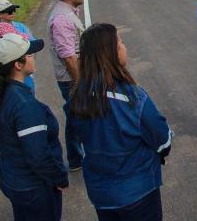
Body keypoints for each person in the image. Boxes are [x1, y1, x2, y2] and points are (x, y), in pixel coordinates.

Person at [68, 23, 173, 221]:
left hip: (101, 194)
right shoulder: (132, 97)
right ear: (110, 54)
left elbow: (81, 140)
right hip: (137, 192)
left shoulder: (77, 96)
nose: (125, 47)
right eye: (121, 43)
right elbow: (163, 140)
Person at [0, 33, 68, 221]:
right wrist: (58, 178)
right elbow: (38, 156)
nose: (33, 57)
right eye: (29, 54)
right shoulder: (24, 106)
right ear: (18, 65)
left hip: (12, 177)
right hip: (33, 187)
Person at [47, 0, 85, 171]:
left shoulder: (69, 11)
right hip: (71, 79)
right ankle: (76, 158)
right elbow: (68, 57)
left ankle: (77, 156)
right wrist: (81, 83)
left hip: (74, 76)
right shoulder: (62, 19)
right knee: (76, 117)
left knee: (76, 115)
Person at [0, 0, 37, 91]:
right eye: (9, 11)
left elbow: (33, 44)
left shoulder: (20, 26)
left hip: (24, 69)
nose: (13, 13)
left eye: (13, 10)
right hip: (13, 71)